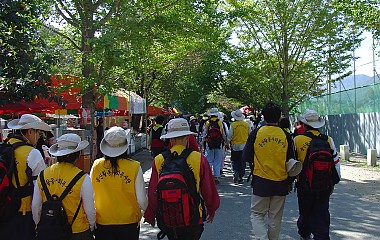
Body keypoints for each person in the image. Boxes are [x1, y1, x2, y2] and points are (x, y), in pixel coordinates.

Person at [144, 118, 220, 240]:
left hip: (168, 216)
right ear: (187, 137)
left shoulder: (159, 160)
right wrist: (211, 208)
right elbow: (208, 188)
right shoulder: (198, 158)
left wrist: (150, 214)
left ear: (170, 139)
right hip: (193, 216)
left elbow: (153, 191)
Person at [242, 102, 295, 240]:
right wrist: (290, 181)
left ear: (264, 117)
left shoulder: (256, 133)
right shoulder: (286, 135)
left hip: (261, 180)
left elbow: (246, 156)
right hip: (281, 181)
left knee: (257, 214)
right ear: (279, 118)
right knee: (275, 217)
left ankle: (262, 237)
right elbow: (291, 161)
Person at [32, 133, 96, 239]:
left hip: (50, 230)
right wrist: (90, 227)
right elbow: (90, 210)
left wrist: (41, 225)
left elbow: (35, 207)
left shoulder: (42, 175)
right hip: (77, 231)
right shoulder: (83, 178)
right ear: (77, 154)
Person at [90, 126, 147, 240]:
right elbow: (141, 199)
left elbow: (91, 194)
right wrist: (146, 211)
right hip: (128, 221)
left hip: (103, 220)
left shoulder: (97, 165)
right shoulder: (134, 166)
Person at [0, 114, 50, 240]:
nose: (39, 137)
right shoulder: (32, 153)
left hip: (4, 210)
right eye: (38, 133)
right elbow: (41, 189)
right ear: (30, 131)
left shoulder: (3, 148)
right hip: (23, 213)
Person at [294, 109, 341, 240]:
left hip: (304, 184)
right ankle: (322, 236)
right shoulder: (328, 140)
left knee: (305, 211)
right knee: (321, 213)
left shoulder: (297, 140)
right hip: (324, 184)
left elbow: (293, 164)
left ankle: (304, 233)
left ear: (303, 125)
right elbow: (336, 162)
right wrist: (334, 181)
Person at [202, 108, 227, 184]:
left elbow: (204, 133)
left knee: (209, 160)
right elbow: (223, 134)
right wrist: (226, 142)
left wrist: (203, 142)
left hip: (209, 143)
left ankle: (209, 176)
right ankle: (216, 176)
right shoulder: (220, 123)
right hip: (219, 143)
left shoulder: (207, 123)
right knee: (217, 160)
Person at [227, 109, 250, 184]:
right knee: (242, 162)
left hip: (235, 145)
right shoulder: (246, 124)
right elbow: (250, 134)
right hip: (244, 145)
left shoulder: (233, 125)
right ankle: (241, 176)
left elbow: (230, 136)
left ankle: (235, 172)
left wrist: (227, 143)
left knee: (234, 161)